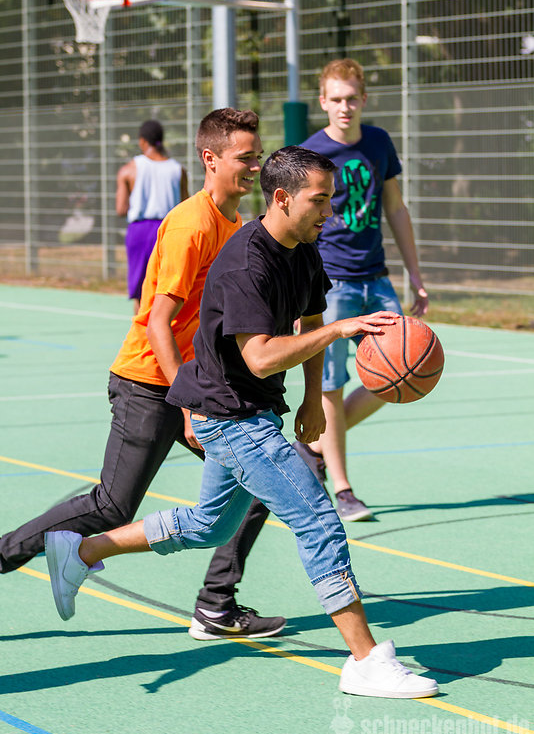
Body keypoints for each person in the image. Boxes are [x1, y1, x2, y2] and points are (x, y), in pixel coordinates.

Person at [43, 146, 438, 700]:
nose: (330, 211)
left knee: (210, 526)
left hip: (245, 408)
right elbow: (260, 357)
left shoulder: (304, 248)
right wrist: (339, 331)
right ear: (282, 198)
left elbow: (312, 318)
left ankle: (81, 550)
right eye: (319, 200)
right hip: (231, 416)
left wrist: (311, 398)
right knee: (318, 523)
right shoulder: (245, 263)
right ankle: (366, 661)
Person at [0, 107, 286, 642]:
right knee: (112, 505)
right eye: (245, 158)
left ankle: (216, 605)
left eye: (258, 156)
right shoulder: (191, 224)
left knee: (259, 485)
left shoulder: (236, 227)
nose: (256, 167)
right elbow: (158, 322)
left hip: (194, 385)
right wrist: (191, 405)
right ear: (211, 159)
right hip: (148, 384)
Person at [295, 58, 429, 523]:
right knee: (330, 386)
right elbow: (298, 226)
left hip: (376, 276)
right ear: (323, 102)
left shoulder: (378, 142)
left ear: (364, 99)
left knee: (404, 370)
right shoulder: (310, 153)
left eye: (352, 98)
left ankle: (313, 444)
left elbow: (395, 208)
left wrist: (415, 274)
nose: (344, 106)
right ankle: (344, 489)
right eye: (336, 99)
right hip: (331, 283)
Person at [116, 119, 189, 314]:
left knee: (141, 291)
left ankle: (142, 330)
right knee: (170, 288)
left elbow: (121, 208)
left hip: (140, 232)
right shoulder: (178, 170)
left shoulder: (129, 169)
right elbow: (186, 206)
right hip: (170, 230)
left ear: (142, 141)